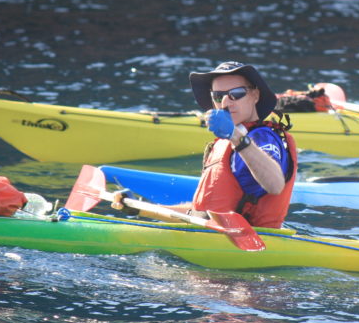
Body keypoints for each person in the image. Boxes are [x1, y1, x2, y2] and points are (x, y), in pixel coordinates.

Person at [114, 61, 296, 228]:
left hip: (258, 242)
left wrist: (237, 138)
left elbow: (275, 184)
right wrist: (140, 208)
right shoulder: (228, 141)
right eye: (218, 96)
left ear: (255, 95)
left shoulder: (263, 138)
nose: (225, 103)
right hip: (219, 237)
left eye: (236, 94)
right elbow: (201, 215)